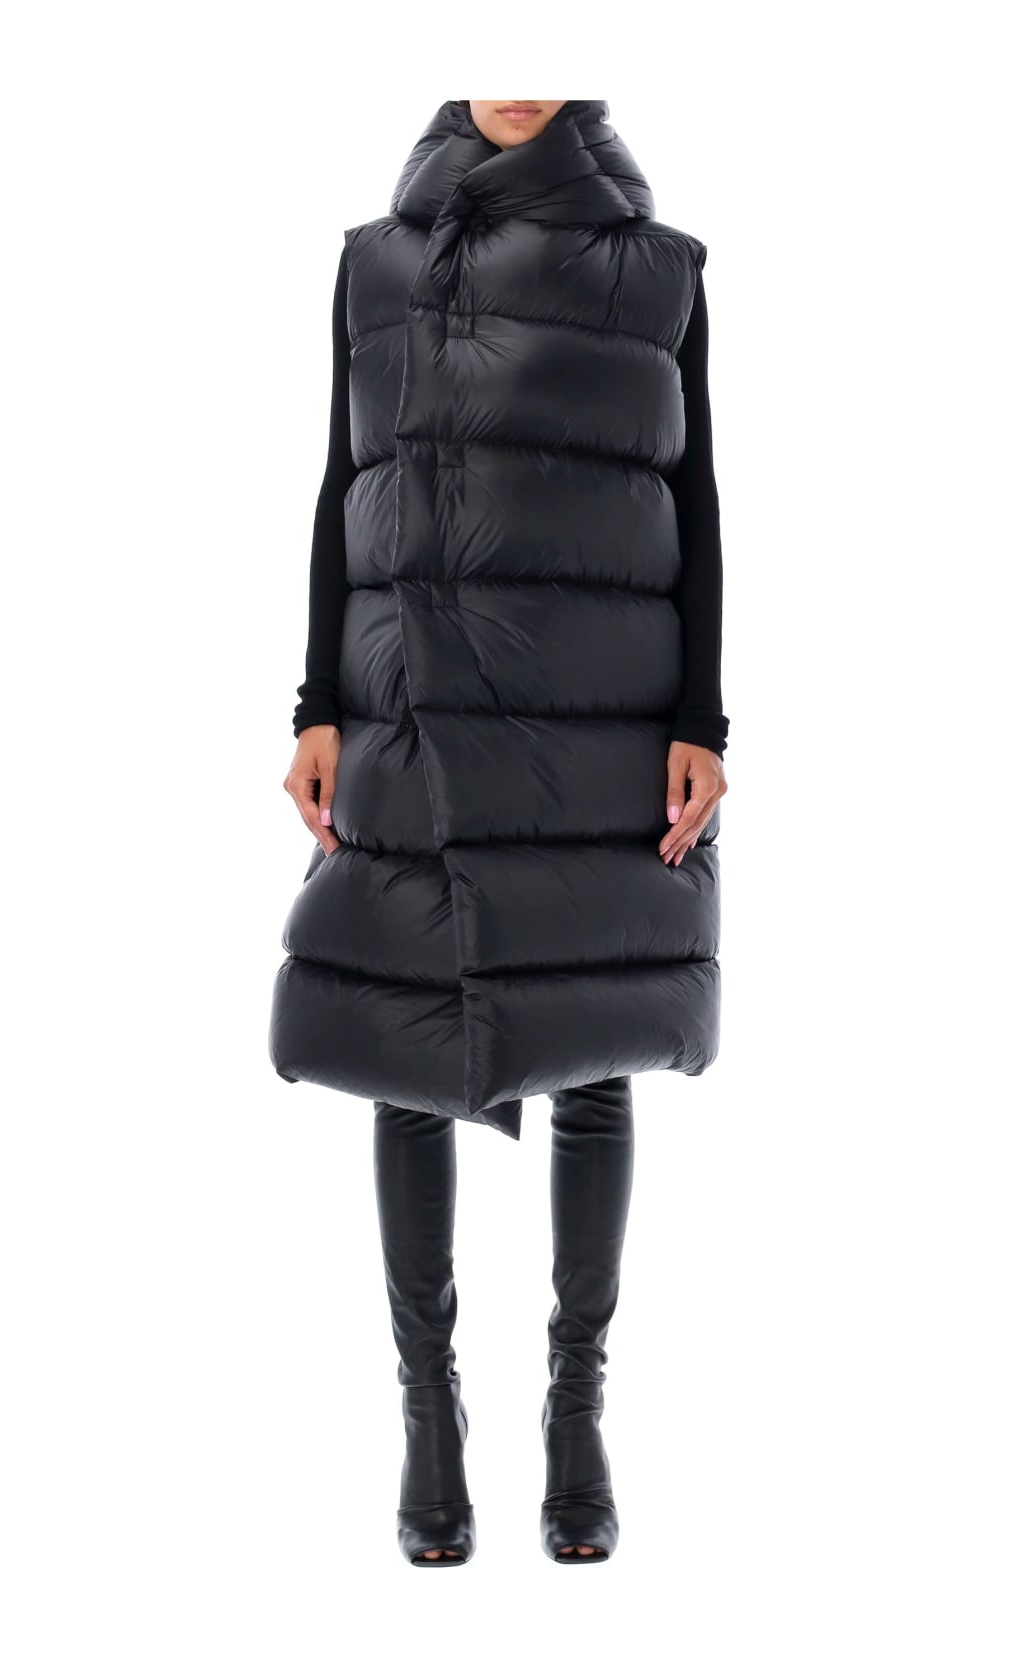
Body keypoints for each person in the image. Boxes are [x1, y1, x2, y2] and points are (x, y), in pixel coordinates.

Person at [270, 99, 729, 1564]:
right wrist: (316, 702)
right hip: (405, 698)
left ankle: (577, 1406)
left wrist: (704, 722)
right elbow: (341, 483)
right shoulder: (377, 261)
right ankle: (428, 1410)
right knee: (402, 1044)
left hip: (601, 701)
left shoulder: (655, 267)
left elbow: (694, 495)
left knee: (596, 1042)